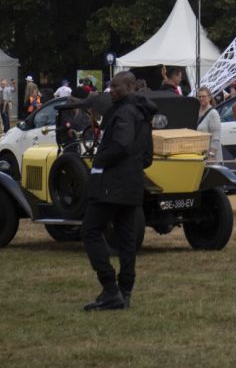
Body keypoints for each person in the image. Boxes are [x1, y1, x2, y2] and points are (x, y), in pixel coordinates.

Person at [81, 71, 156, 311]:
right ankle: (125, 291)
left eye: (116, 87)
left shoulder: (124, 112)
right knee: (126, 240)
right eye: (110, 87)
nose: (111, 91)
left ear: (131, 87)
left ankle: (110, 288)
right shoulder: (144, 115)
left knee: (91, 230)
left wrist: (100, 160)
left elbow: (121, 144)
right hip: (133, 184)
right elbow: (147, 157)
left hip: (112, 184)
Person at [196, 87, 223, 162]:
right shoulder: (196, 111)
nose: (201, 98)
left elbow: (216, 137)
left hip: (210, 158)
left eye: (203, 96)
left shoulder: (213, 114)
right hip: (199, 155)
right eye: (199, 96)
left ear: (209, 97)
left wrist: (211, 155)